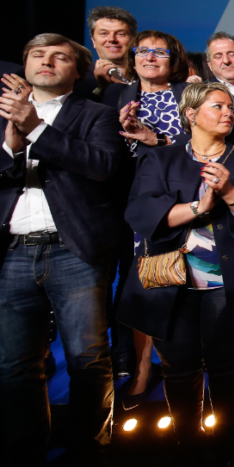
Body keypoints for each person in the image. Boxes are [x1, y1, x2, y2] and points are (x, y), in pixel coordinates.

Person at [118, 83, 234, 461]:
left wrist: (229, 193)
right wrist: (197, 206)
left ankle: (225, 438)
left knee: (225, 363)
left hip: (227, 282)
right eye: (217, 106)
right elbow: (140, 215)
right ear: (191, 115)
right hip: (171, 282)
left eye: (230, 107)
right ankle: (186, 441)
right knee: (177, 366)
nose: (228, 113)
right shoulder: (162, 160)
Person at [0, 34, 124, 465]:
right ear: (24, 65)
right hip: (13, 252)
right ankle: (25, 451)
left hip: (74, 251)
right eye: (37, 55)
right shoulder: (1, 116)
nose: (47, 62)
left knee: (87, 359)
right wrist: (12, 144)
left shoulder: (97, 115)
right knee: (14, 365)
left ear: (78, 70)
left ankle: (91, 449)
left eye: (60, 57)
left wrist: (35, 128)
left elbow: (103, 166)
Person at [106, 30, 194, 410]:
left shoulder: (187, 95)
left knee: (187, 285)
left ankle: (188, 364)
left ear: (174, 60)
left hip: (184, 203)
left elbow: (202, 148)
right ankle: (142, 368)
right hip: (134, 205)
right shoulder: (118, 96)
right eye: (143, 50)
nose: (151, 57)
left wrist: (155, 140)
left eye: (161, 52)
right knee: (143, 286)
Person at [83, 5, 138, 99]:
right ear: (93, 41)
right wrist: (101, 88)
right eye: (104, 33)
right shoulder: (80, 78)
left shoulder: (150, 74)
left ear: (133, 39)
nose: (112, 39)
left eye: (120, 34)